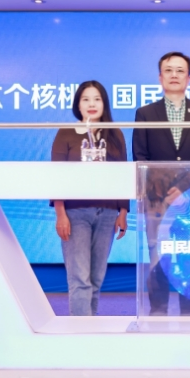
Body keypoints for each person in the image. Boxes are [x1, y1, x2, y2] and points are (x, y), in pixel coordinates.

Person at [132, 52, 190, 315]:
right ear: (160, 77)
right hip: (157, 202)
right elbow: (140, 156)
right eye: (169, 70)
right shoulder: (146, 113)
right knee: (158, 258)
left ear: (188, 78)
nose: (174, 75)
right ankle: (157, 313)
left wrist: (184, 189)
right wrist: (164, 190)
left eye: (180, 71)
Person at [51, 80, 128, 316]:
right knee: (80, 278)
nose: (91, 104)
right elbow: (55, 176)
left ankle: (90, 327)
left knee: (96, 278)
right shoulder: (66, 133)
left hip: (107, 213)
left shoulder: (115, 134)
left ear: (104, 104)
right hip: (75, 213)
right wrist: (60, 214)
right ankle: (80, 332)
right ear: (78, 105)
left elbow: (123, 175)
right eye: (86, 99)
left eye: (97, 99)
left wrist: (123, 211)